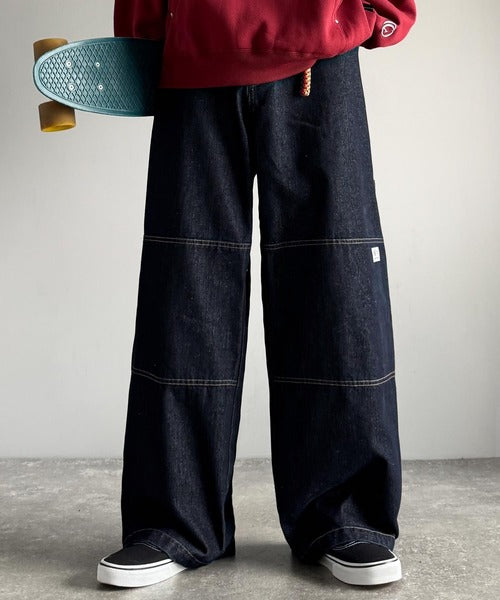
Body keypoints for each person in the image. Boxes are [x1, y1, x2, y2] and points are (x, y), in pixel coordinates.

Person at [97, 0, 417, 589]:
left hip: (320, 58)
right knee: (183, 289)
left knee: (336, 286)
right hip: (194, 60)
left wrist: (376, 12)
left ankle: (345, 517)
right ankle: (174, 522)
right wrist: (144, 43)